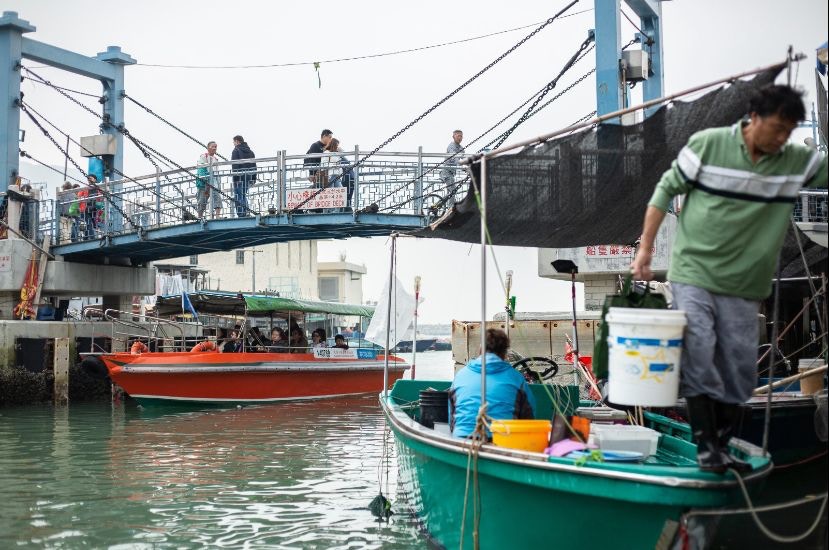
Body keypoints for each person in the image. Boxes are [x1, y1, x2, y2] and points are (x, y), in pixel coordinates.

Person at [631, 84, 828, 473]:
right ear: (754, 118)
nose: (781, 138)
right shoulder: (708, 145)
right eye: (776, 128)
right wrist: (645, 249)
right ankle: (707, 448)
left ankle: (722, 445)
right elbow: (665, 190)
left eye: (788, 131)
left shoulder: (793, 160)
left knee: (738, 370)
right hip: (695, 272)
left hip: (746, 283)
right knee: (700, 347)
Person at [448, 328, 535, 439]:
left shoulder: (460, 376)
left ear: (481, 348)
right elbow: (529, 418)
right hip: (502, 442)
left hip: (462, 441)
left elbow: (452, 417)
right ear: (505, 353)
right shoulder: (516, 378)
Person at [231, 135, 257, 217]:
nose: (233, 144)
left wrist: (235, 178)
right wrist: (253, 178)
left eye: (234, 142)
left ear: (237, 141)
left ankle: (241, 214)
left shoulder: (236, 150)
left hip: (239, 176)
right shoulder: (251, 152)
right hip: (248, 176)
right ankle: (246, 212)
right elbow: (254, 166)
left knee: (238, 195)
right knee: (243, 194)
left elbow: (235, 166)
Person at [196, 141, 222, 219]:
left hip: (214, 183)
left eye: (215, 147)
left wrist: (218, 185)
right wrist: (205, 181)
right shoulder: (204, 156)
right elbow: (201, 169)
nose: (214, 148)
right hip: (204, 182)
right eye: (213, 146)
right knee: (202, 200)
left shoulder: (215, 159)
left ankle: (217, 216)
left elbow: (217, 173)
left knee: (217, 198)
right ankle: (200, 217)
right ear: (208, 148)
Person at [439, 130, 464, 207]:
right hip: (447, 172)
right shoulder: (451, 146)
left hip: (451, 173)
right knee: (453, 191)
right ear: (453, 137)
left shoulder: (461, 148)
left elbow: (463, 159)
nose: (460, 138)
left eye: (461, 136)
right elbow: (455, 158)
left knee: (451, 191)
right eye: (458, 136)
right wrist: (462, 166)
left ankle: (441, 205)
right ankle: (450, 209)